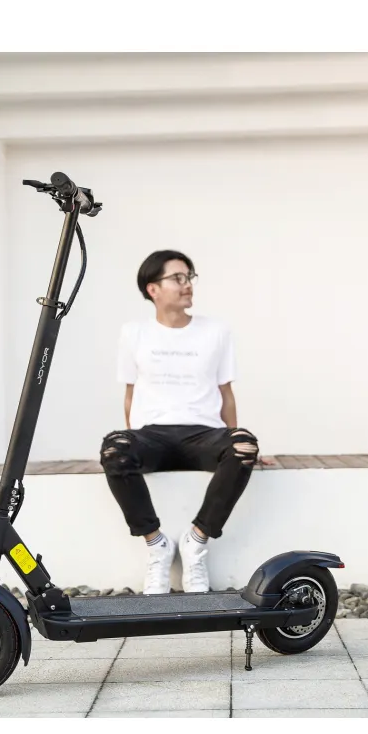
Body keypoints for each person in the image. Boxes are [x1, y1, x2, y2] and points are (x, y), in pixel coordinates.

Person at [100, 250, 259, 595]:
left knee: (245, 444)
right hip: (152, 435)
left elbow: (226, 393)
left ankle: (196, 541)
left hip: (204, 434)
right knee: (114, 448)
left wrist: (236, 439)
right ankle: (156, 544)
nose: (187, 285)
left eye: (189, 277)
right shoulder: (134, 333)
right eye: (178, 278)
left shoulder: (216, 331)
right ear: (153, 288)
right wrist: (131, 444)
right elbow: (130, 394)